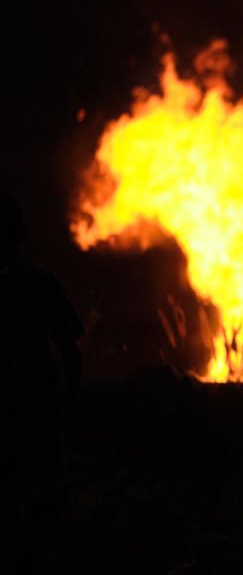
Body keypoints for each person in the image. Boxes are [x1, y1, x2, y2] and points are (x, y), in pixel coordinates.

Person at [0, 192, 84, 568]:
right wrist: (74, 397)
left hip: (26, 401)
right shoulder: (40, 282)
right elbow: (68, 346)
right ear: (20, 236)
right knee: (42, 489)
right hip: (36, 400)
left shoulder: (39, 282)